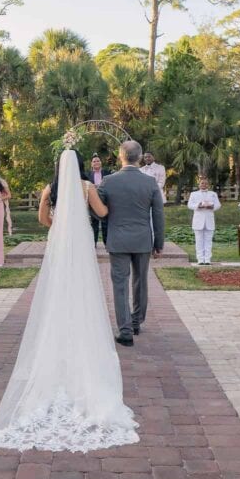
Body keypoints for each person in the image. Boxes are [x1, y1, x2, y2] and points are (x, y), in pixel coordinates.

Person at [0, 147, 138, 452]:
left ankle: (58, 337)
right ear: (80, 165)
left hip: (60, 244)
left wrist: (62, 227)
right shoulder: (87, 186)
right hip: (80, 246)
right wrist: (84, 221)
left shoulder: (50, 189)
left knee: (57, 291)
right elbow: (102, 213)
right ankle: (82, 338)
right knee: (84, 291)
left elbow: (42, 218)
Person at [99, 140, 165, 346]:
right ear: (140, 157)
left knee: (120, 285)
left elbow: (98, 211)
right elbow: (158, 215)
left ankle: (125, 330)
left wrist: (108, 221)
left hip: (118, 239)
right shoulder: (150, 183)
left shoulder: (108, 181)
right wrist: (159, 243)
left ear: (120, 156)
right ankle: (136, 322)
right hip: (143, 239)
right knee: (140, 282)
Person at [187, 175, 221, 265]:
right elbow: (189, 205)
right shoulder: (193, 194)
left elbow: (218, 205)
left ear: (208, 185)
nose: (204, 185)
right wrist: (198, 205)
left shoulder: (213, 194)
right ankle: (200, 259)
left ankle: (207, 259)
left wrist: (212, 207)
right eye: (202, 183)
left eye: (206, 183)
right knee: (199, 241)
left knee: (208, 241)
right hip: (198, 220)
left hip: (209, 220)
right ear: (199, 184)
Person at [89, 154, 111, 245]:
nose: (96, 162)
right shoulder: (87, 175)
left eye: (98, 161)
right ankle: (93, 244)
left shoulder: (107, 173)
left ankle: (107, 243)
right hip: (93, 201)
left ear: (101, 163)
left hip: (105, 200)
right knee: (94, 223)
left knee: (106, 223)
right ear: (91, 164)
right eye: (94, 161)